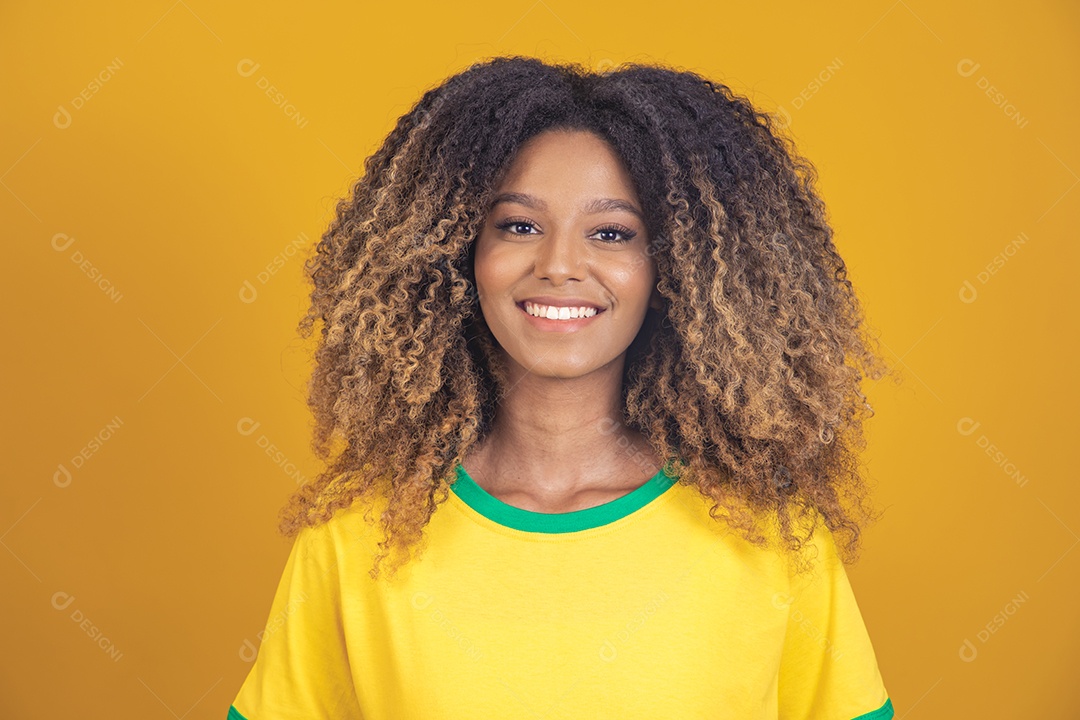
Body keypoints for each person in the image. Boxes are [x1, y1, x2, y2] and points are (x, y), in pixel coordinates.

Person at [227, 55, 896, 719]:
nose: (559, 266)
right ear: (458, 250)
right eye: (519, 226)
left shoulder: (774, 535)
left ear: (677, 269)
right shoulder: (357, 535)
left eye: (612, 233)